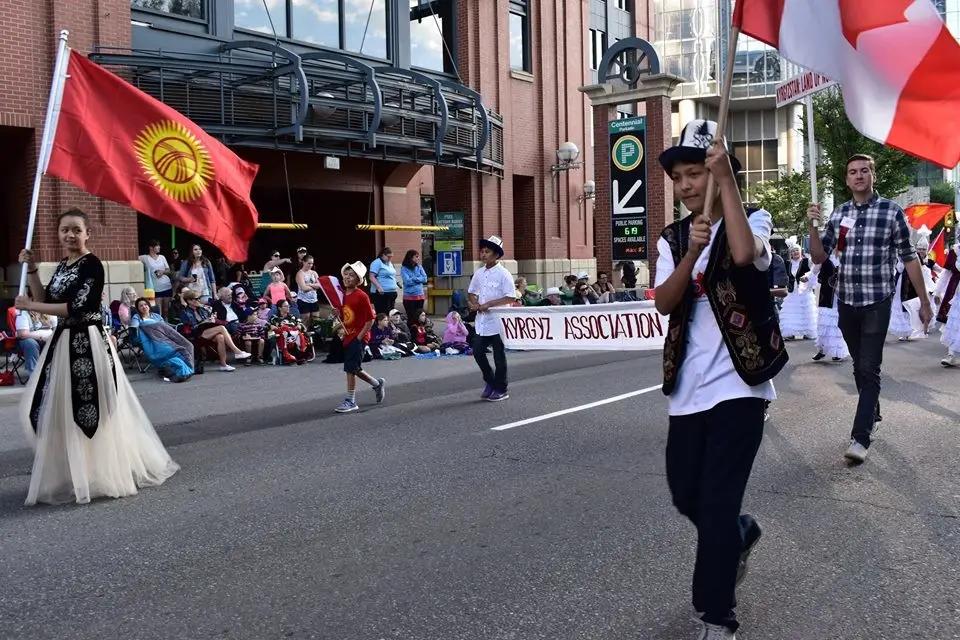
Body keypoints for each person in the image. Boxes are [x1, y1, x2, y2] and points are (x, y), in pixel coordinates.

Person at [654, 120, 787, 640]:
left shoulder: (753, 218)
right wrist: (690, 251)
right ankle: (740, 534)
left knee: (715, 504)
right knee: (686, 494)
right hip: (688, 389)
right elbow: (665, 302)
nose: (687, 185)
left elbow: (743, 257)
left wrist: (726, 179)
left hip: (742, 384)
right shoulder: (672, 238)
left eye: (697, 173)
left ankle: (716, 615)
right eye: (680, 177)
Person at [14, 208, 179, 505]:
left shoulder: (92, 265)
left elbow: (75, 308)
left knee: (91, 407)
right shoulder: (64, 264)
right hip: (63, 342)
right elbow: (46, 301)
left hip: (87, 341)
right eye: (65, 229)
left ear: (88, 233)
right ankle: (76, 472)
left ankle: (103, 471)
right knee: (58, 409)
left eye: (77, 229)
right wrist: (35, 271)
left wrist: (28, 304)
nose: (70, 235)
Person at [808, 153, 932, 463]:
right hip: (846, 301)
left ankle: (860, 437)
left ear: (872, 176)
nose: (859, 175)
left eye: (864, 170)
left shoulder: (891, 212)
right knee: (858, 365)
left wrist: (925, 301)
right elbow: (820, 257)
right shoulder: (839, 215)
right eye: (853, 172)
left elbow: (908, 257)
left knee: (868, 367)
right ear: (847, 179)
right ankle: (872, 410)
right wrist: (812, 226)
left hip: (878, 300)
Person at [468, 235, 515, 402]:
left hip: (498, 321)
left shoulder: (504, 274)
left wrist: (490, 304)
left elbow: (511, 297)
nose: (483, 254)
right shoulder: (479, 273)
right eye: (482, 251)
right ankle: (490, 381)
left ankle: (501, 388)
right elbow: (471, 292)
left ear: (496, 255)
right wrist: (474, 303)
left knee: (498, 356)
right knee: (478, 351)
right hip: (482, 322)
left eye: (487, 252)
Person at [335, 262, 385, 413]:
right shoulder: (343, 295)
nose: (347, 277)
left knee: (350, 369)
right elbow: (346, 317)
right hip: (348, 336)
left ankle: (351, 400)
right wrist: (336, 314)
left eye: (352, 275)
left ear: (359, 280)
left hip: (358, 337)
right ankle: (377, 384)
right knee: (354, 368)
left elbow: (370, 320)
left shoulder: (362, 296)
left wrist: (359, 337)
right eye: (346, 274)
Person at [179, 289, 251, 372]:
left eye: (199, 298)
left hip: (205, 331)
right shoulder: (184, 312)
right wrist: (204, 322)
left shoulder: (202, 309)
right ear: (189, 301)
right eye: (196, 299)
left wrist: (212, 318)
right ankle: (237, 351)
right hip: (195, 335)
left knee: (220, 337)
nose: (198, 300)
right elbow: (191, 328)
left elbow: (208, 320)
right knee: (221, 328)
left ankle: (224, 365)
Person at [129, 297, 194, 382]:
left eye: (145, 304)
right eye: (141, 306)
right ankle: (180, 369)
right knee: (167, 349)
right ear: (138, 309)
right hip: (151, 340)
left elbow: (164, 327)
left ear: (148, 306)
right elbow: (134, 327)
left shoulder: (156, 316)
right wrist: (142, 326)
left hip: (164, 337)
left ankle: (185, 367)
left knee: (188, 345)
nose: (144, 307)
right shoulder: (137, 317)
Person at [889, 233, 935, 342]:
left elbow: (923, 273)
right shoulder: (894, 254)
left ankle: (913, 329)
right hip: (899, 283)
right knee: (899, 306)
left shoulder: (916, 256)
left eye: (923, 249)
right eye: (919, 248)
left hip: (910, 284)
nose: (921, 251)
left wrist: (930, 287)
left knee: (910, 307)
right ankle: (905, 331)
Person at [811, 255, 850, 363]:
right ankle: (822, 350)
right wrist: (809, 277)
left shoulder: (846, 255)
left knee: (838, 323)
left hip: (840, 294)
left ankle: (838, 352)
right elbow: (815, 269)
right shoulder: (824, 255)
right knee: (823, 323)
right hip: (826, 293)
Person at [779, 239, 817, 340]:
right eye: (793, 251)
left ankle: (808, 332)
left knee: (805, 311)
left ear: (800, 251)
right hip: (792, 291)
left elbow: (814, 272)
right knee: (791, 311)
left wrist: (808, 279)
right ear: (790, 253)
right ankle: (790, 333)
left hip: (804, 291)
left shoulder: (806, 261)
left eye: (797, 250)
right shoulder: (787, 263)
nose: (795, 252)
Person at [14, 296, 56, 377]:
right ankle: (34, 375)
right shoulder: (23, 313)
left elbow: (56, 329)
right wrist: (41, 336)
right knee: (30, 343)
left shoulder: (50, 312)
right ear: (30, 300)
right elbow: (22, 334)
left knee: (57, 342)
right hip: (27, 341)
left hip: (47, 339)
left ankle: (53, 373)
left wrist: (50, 338)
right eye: (35, 301)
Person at [936, 240, 960, 367]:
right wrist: (937, 292)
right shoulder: (954, 252)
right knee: (954, 321)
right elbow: (945, 274)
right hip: (956, 293)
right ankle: (951, 354)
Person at [139, 239, 174, 319]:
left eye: (159, 246)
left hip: (166, 286)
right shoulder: (145, 258)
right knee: (157, 310)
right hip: (155, 288)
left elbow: (168, 270)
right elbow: (133, 258)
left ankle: (167, 324)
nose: (159, 247)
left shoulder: (162, 257)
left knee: (166, 310)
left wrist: (162, 272)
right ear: (151, 248)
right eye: (157, 246)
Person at [269, 299, 310, 365]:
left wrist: (299, 326)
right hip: (282, 337)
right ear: (279, 308)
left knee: (298, 334)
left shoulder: (292, 317)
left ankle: (299, 356)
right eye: (286, 306)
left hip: (295, 336)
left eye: (288, 306)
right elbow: (272, 329)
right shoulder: (274, 318)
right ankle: (290, 358)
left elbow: (300, 325)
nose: (288, 307)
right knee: (285, 330)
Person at [400, 249, 429, 322]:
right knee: (411, 317)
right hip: (409, 297)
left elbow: (425, 279)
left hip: (420, 296)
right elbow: (407, 282)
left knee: (420, 317)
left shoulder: (419, 267)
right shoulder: (404, 268)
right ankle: (411, 332)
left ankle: (419, 332)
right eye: (416, 256)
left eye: (418, 256)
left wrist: (413, 278)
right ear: (410, 257)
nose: (418, 258)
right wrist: (419, 279)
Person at [369, 247, 399, 314]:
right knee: (383, 313)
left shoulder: (390, 263)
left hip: (392, 292)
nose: (390, 258)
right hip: (382, 293)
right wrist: (379, 287)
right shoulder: (377, 263)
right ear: (383, 255)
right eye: (388, 257)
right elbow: (371, 277)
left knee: (391, 313)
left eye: (391, 257)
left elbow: (392, 275)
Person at [295, 254, 322, 328]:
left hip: (314, 300)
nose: (311, 265)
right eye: (309, 263)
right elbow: (304, 288)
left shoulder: (314, 273)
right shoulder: (300, 274)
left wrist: (309, 284)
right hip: (303, 300)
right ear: (303, 262)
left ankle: (314, 337)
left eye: (312, 263)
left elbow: (320, 285)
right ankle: (305, 337)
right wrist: (314, 286)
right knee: (305, 320)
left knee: (316, 320)